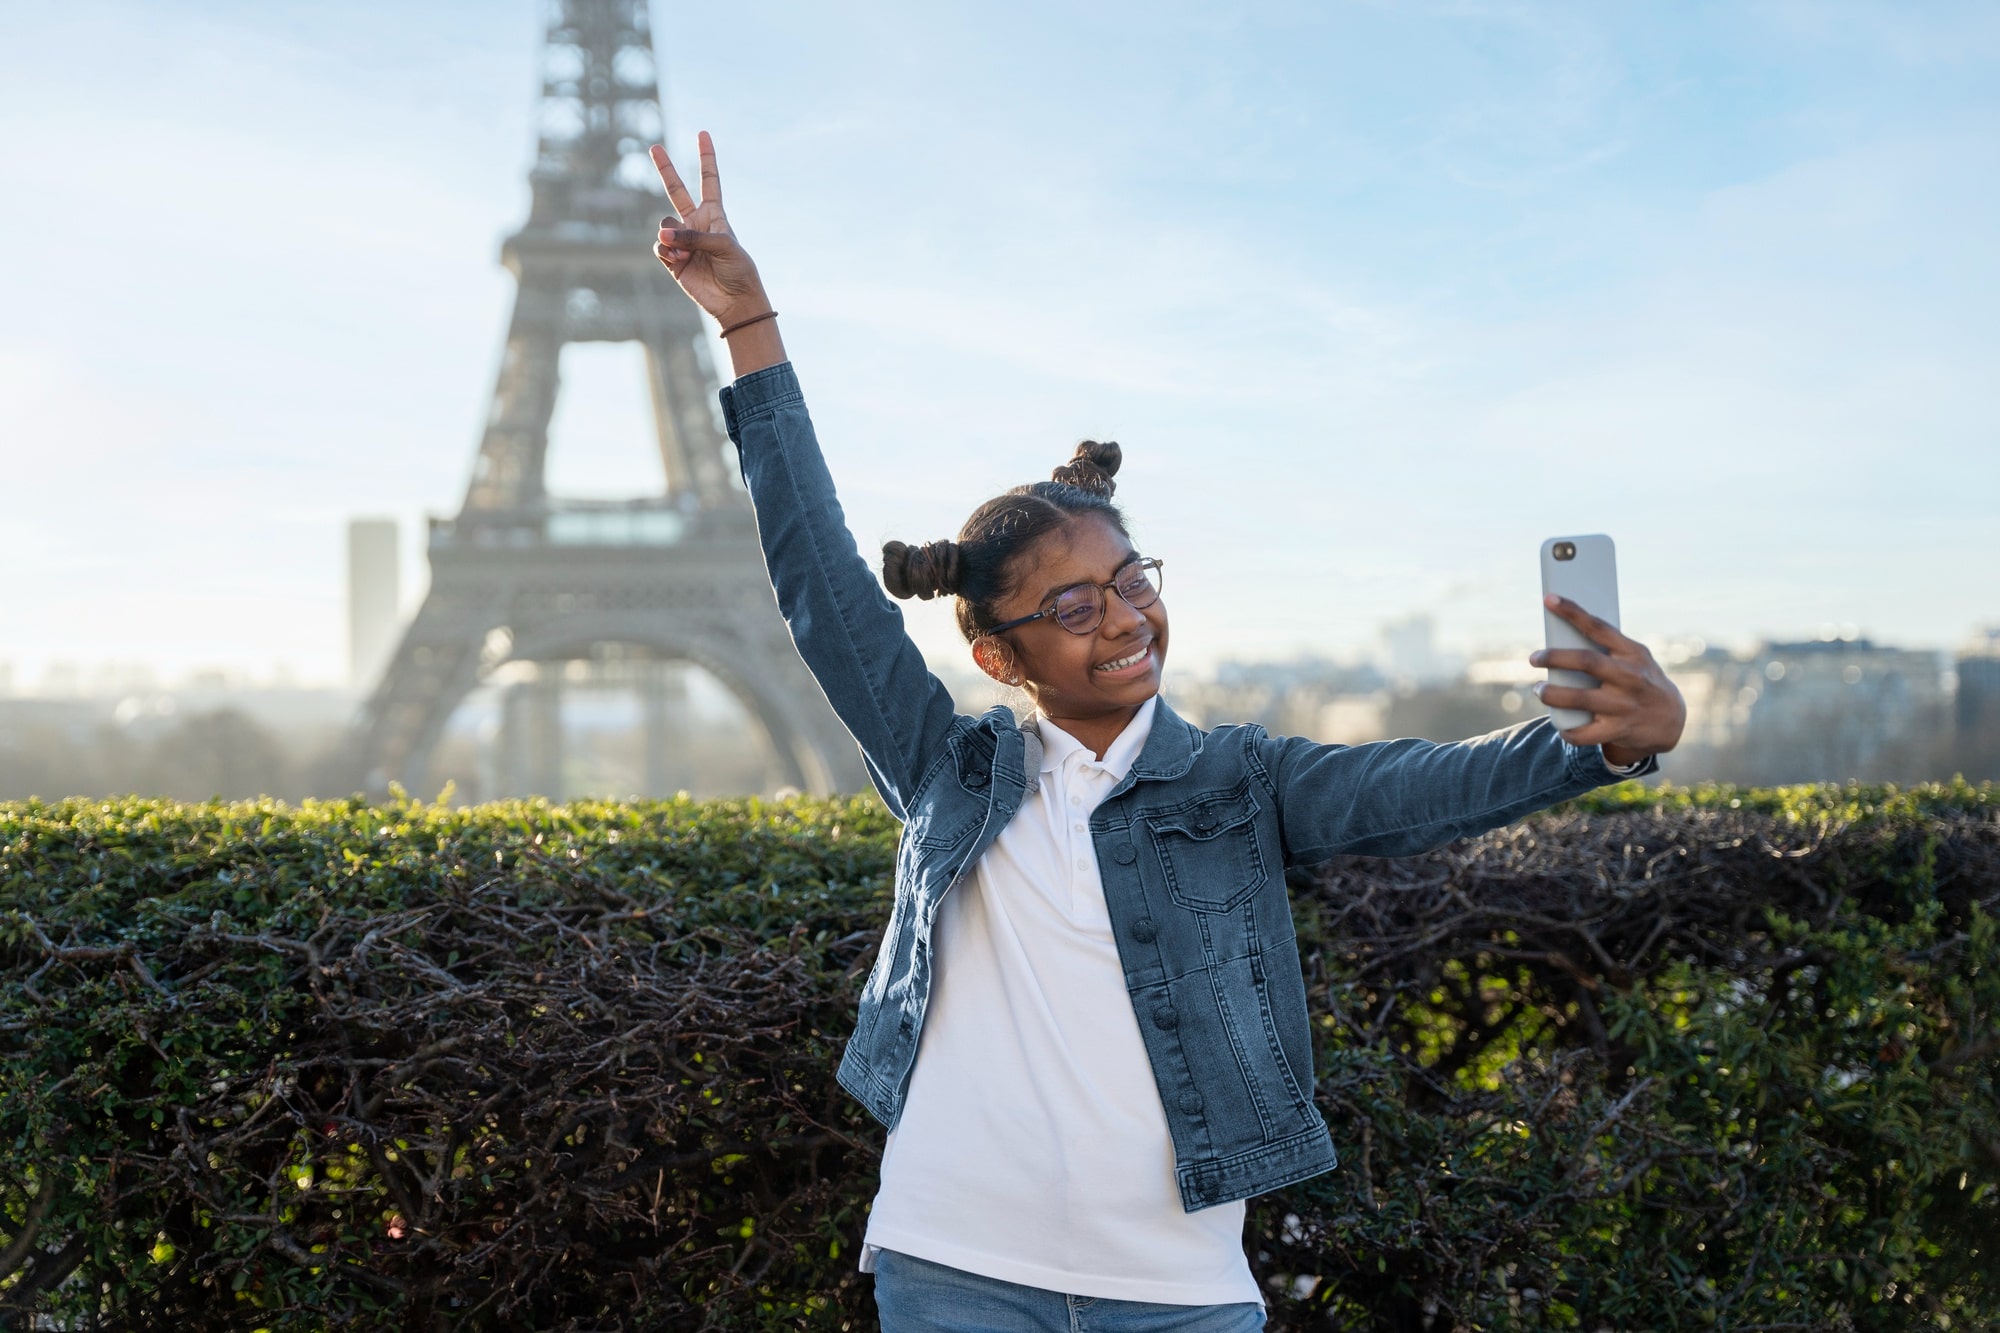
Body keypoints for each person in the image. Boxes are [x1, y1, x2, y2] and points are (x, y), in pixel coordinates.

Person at [647, 134, 1686, 1333]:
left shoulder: (1239, 780)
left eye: (1131, 578)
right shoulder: (952, 774)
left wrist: (1596, 744)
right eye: (1073, 607)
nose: (1125, 618)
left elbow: (1415, 786)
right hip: (953, 1264)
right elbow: (819, 580)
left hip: (1178, 1291)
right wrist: (748, 326)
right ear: (997, 655)